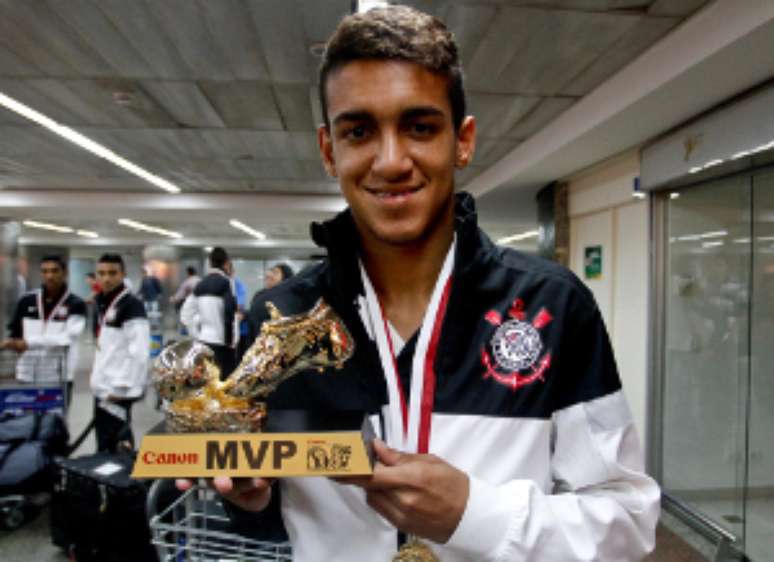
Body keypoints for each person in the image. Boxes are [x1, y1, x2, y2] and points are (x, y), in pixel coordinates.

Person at [181, 6, 660, 561]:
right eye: (359, 130)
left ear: (463, 140)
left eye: (419, 127)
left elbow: (627, 520)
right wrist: (250, 500)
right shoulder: (280, 320)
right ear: (328, 150)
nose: (390, 161)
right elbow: (275, 520)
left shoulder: (551, 304)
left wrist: (473, 515)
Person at [2, 255, 86, 407]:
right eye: (45, 271)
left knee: (55, 423)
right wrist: (13, 343)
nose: (50, 276)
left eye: (55, 271)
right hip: (27, 373)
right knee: (25, 421)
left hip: (59, 375)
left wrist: (28, 342)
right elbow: (15, 331)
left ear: (64, 272)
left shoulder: (76, 304)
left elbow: (67, 337)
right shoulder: (27, 301)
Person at [90, 253, 149, 453]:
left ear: (122, 274)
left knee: (119, 440)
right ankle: (104, 480)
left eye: (112, 273)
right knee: (104, 438)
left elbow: (140, 351)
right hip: (103, 385)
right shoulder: (101, 301)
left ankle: (123, 480)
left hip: (118, 389)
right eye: (102, 273)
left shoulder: (131, 305)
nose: (106, 278)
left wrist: (122, 386)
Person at [180, 247, 239, 377]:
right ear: (225, 263)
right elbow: (230, 314)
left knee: (206, 383)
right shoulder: (228, 283)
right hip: (223, 344)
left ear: (210, 263)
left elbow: (185, 314)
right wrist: (232, 340)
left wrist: (195, 334)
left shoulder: (200, 285)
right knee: (224, 385)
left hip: (204, 341)